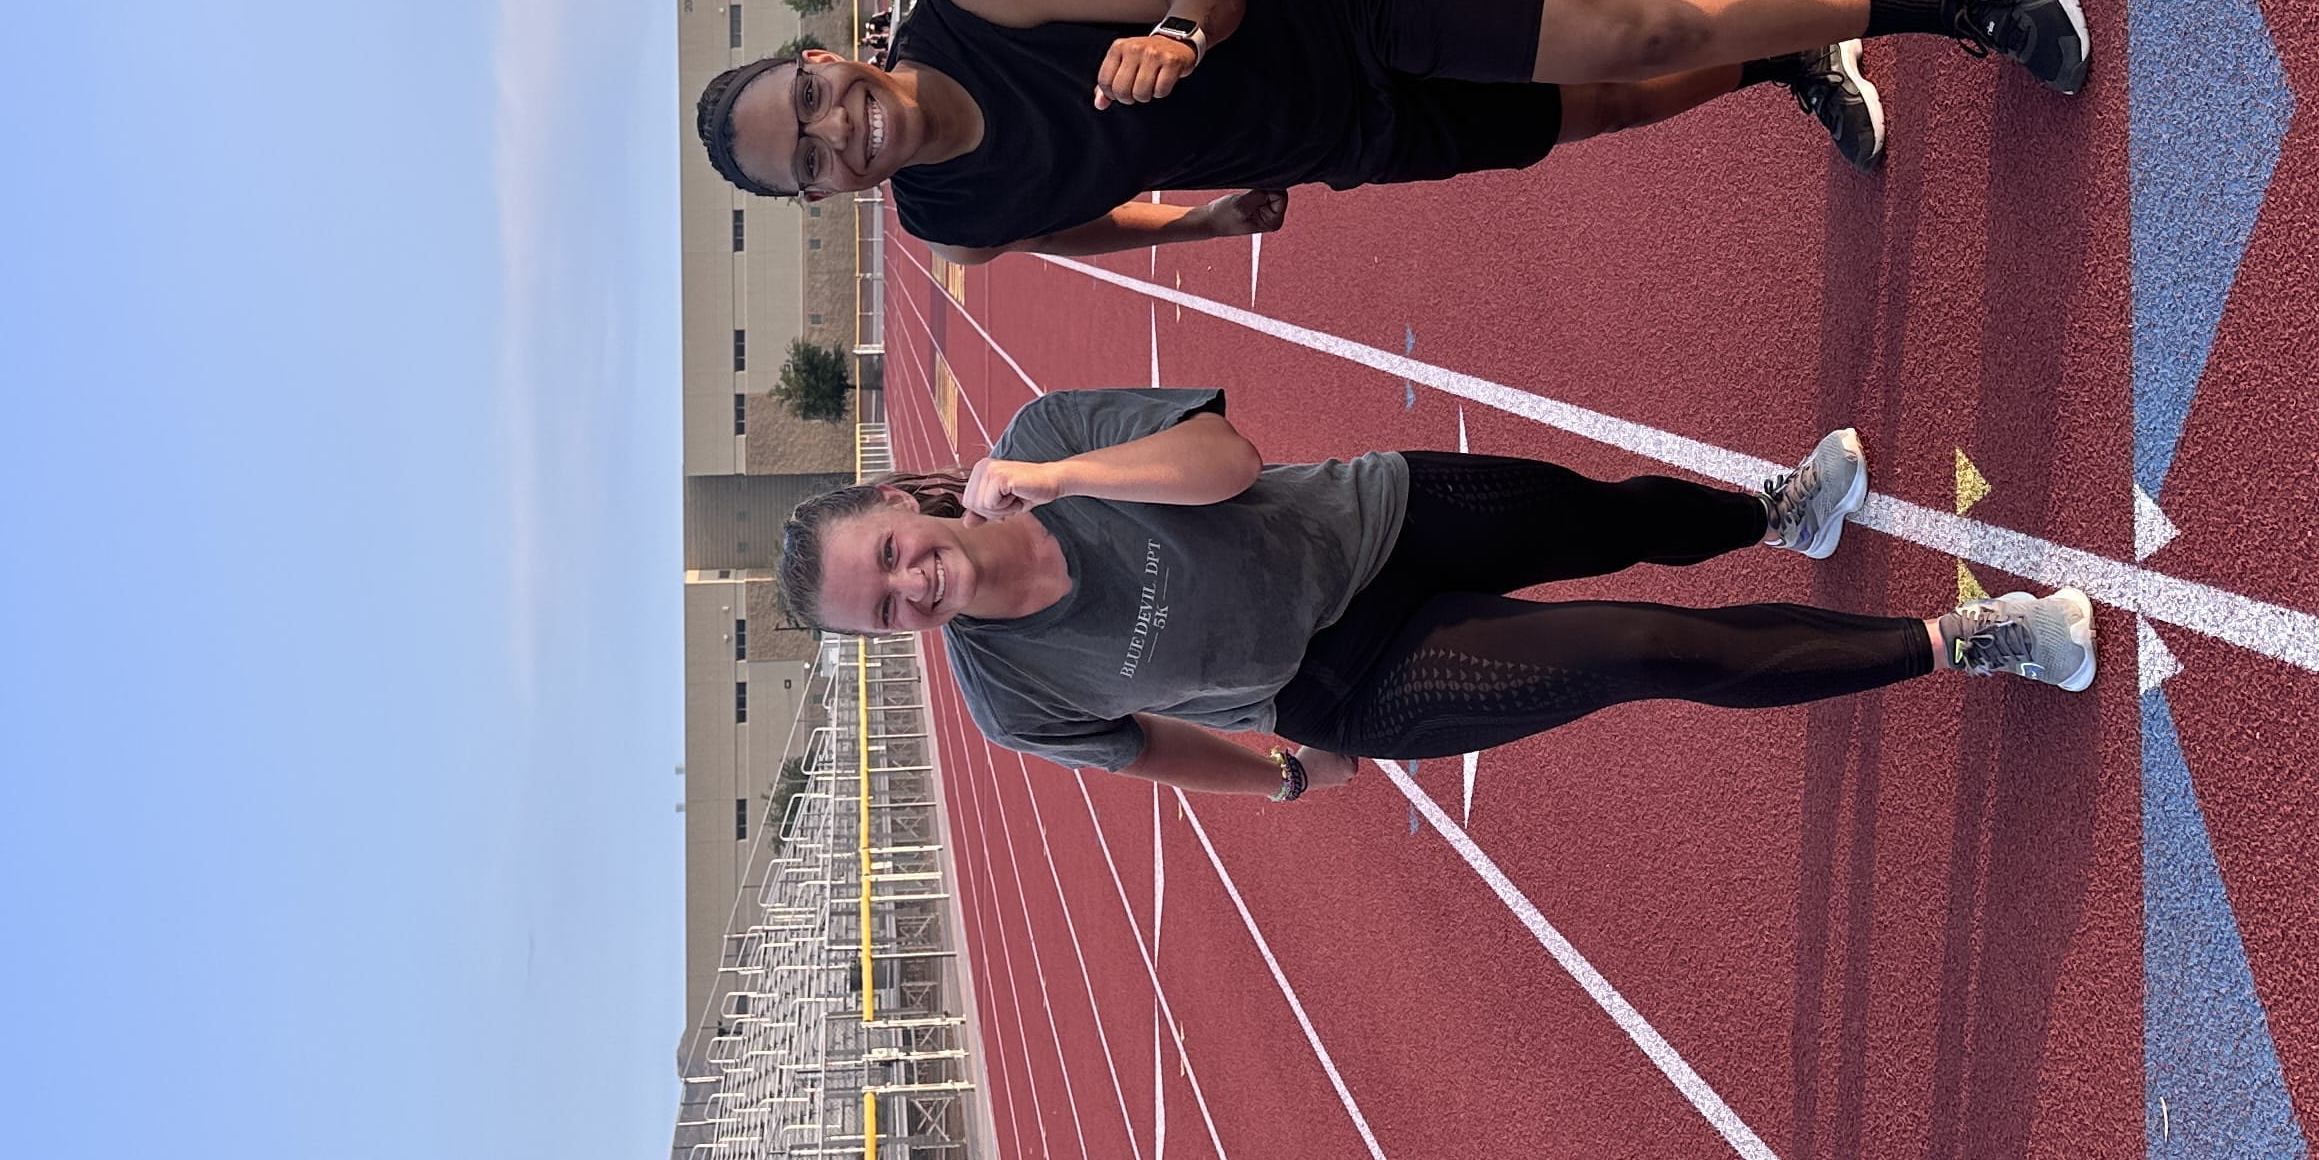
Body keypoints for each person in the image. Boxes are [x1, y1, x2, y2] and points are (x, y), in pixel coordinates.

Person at [777, 392, 2096, 796]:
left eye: (888, 556)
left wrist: (1060, 474)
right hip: (1353, 679)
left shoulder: (1048, 437)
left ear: (903, 505)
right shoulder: (1014, 700)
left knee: (1612, 517)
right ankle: (1963, 641)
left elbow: (1226, 459)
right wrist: (1284, 777)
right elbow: (1146, 748)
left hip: (1375, 514)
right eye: (882, 610)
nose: (911, 588)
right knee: (1638, 649)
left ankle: (1775, 514)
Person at [689, 0, 2092, 257]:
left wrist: (1177, 41)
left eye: (809, 103)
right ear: (824, 193)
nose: (834, 134)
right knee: (1595, 113)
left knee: (1629, 35)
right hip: (1337, 131)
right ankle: (1789, 50)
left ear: (828, 59)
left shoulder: (976, 2)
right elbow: (1055, 230)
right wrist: (1200, 222)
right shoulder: (942, 219)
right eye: (808, 160)